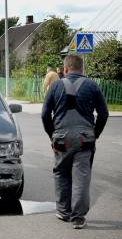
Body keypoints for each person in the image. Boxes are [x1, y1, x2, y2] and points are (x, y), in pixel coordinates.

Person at [41, 54, 109, 229]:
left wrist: (52, 135)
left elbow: (44, 114)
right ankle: (78, 218)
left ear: (65, 69)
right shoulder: (92, 86)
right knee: (81, 177)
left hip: (61, 138)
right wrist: (95, 134)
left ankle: (64, 212)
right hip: (84, 139)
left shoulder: (55, 86)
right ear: (82, 69)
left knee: (62, 173)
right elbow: (104, 114)